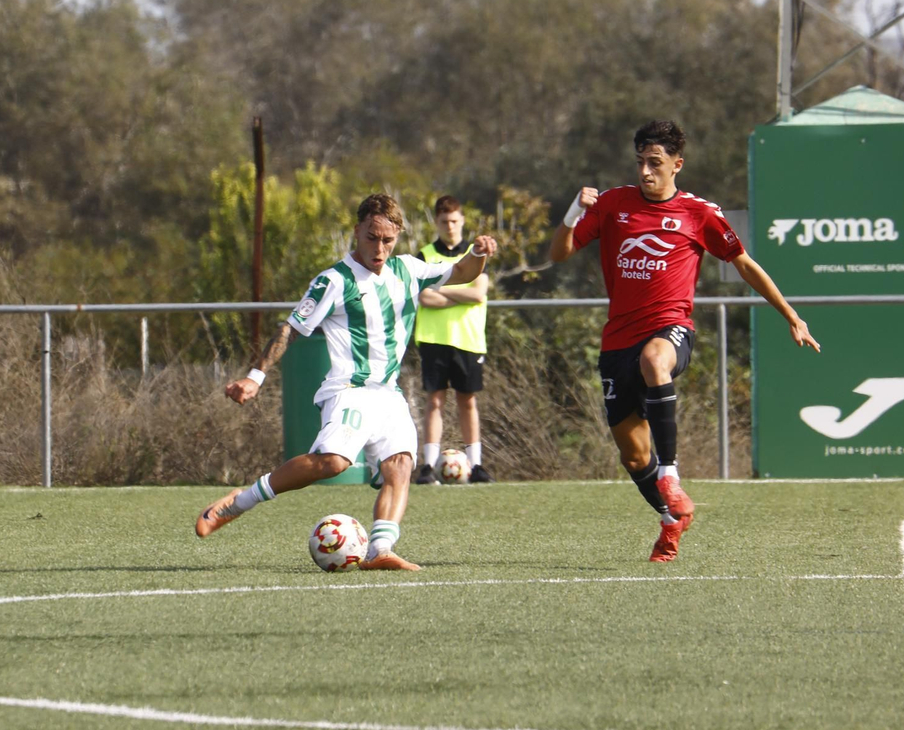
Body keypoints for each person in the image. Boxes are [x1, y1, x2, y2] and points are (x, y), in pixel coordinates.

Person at [549, 120, 820, 562]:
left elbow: (745, 264)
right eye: (640, 162)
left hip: (670, 330)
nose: (645, 171)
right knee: (634, 458)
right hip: (618, 341)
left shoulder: (699, 213)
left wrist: (791, 315)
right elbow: (559, 253)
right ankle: (672, 518)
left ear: (678, 165)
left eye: (655, 163)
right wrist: (571, 213)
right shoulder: (614, 204)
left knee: (655, 362)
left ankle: (671, 476)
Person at [198, 193, 498, 571]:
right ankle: (238, 502)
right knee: (334, 463)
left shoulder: (409, 268)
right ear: (357, 231)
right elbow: (290, 329)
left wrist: (479, 252)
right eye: (371, 237)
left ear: (398, 237)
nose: (379, 248)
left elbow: (463, 272)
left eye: (387, 240)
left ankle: (379, 550)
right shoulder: (333, 281)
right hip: (349, 390)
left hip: (389, 394)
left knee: (401, 463)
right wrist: (255, 377)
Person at [412, 195, 493, 484]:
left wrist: (442, 292)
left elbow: (477, 293)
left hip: (468, 339)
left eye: (455, 220)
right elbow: (423, 296)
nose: (450, 226)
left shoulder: (475, 253)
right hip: (433, 339)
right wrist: (459, 295)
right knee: (434, 401)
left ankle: (477, 466)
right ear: (436, 222)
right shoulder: (424, 255)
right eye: (444, 221)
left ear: (462, 221)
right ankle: (428, 466)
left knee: (467, 401)